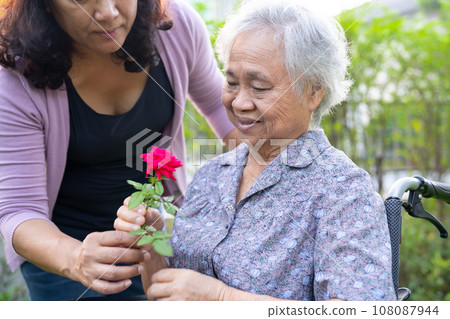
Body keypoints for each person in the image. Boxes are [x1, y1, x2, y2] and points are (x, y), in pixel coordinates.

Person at [115, 0, 397, 301]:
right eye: (232, 82)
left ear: (313, 92)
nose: (239, 103)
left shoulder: (343, 190)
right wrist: (150, 244)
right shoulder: (212, 175)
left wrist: (222, 299)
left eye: (259, 87)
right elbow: (170, 296)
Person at [0, 0, 238, 300]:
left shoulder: (173, 27)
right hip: (63, 254)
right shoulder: (13, 75)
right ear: (45, 5)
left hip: (155, 238)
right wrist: (75, 258)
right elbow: (19, 212)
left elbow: (223, 110)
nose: (108, 13)